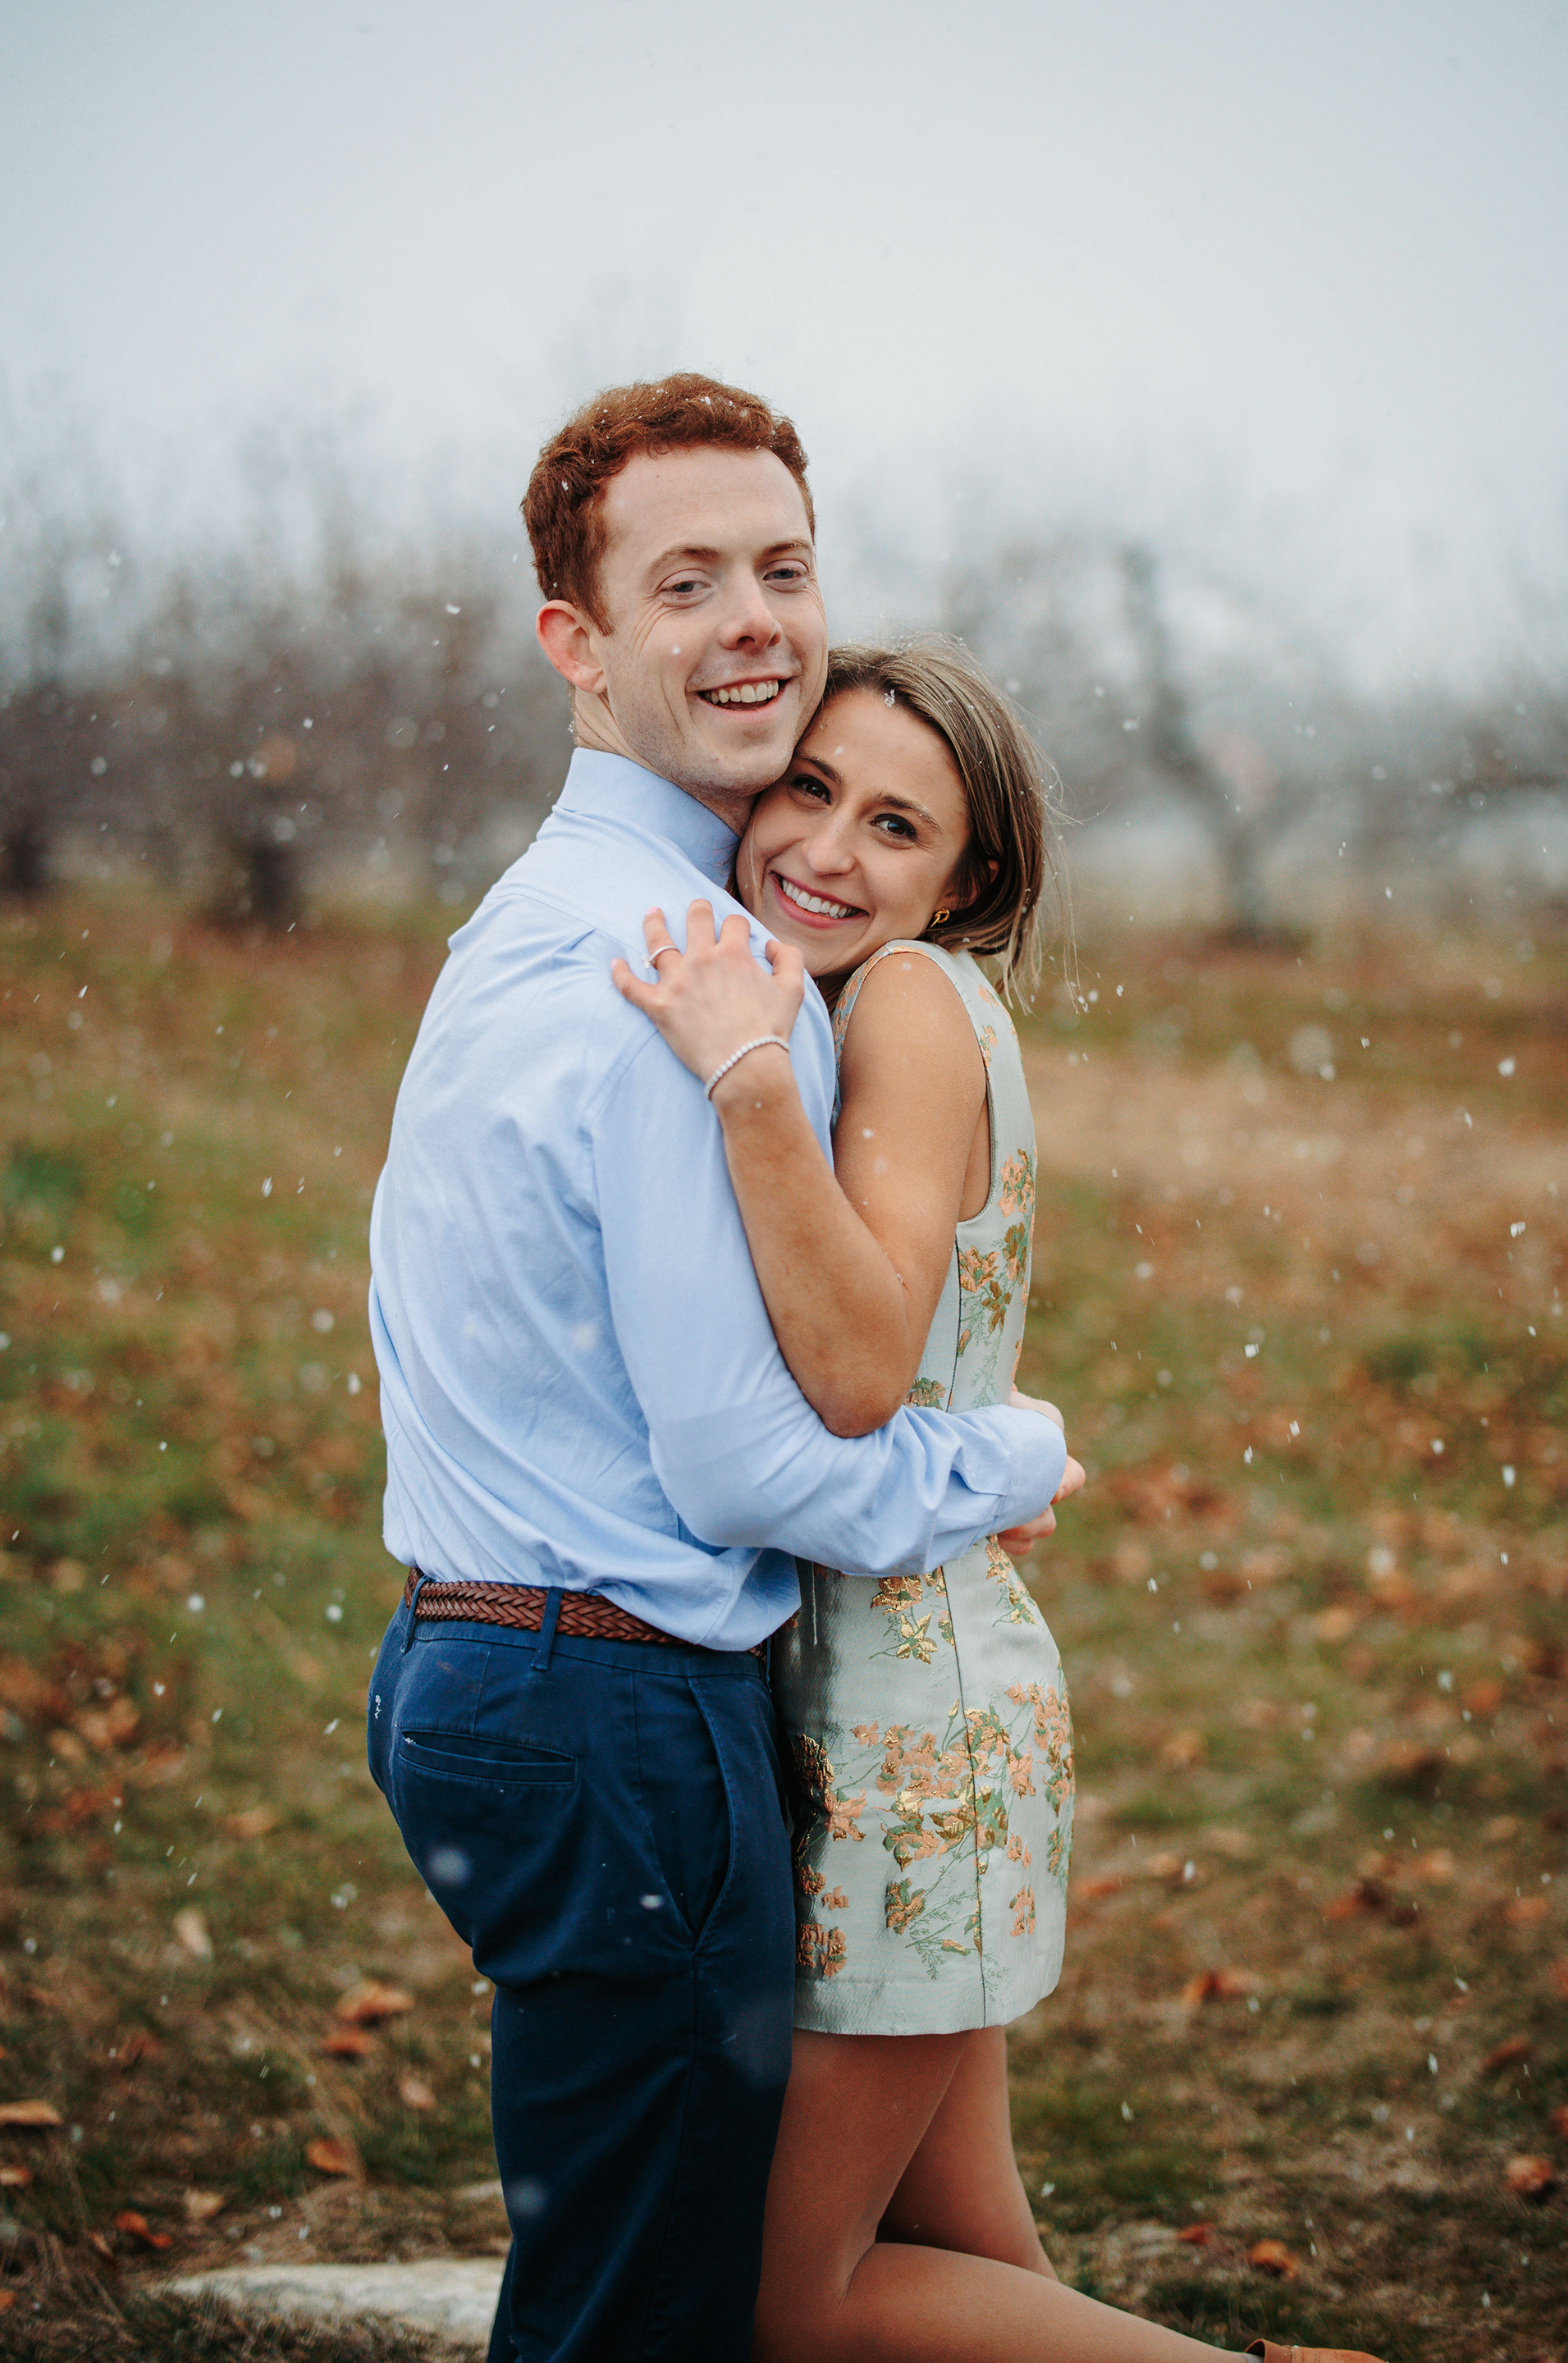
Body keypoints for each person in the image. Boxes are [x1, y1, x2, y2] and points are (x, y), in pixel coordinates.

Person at [363, 375, 1072, 2363]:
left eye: (783, 565)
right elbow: (773, 1456)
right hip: (609, 1700)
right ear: (575, 646)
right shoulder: (683, 979)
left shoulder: (550, 923)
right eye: (689, 581)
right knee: (659, 2317)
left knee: (766, 2268)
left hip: (494, 1655)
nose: (757, 615)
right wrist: (996, 1460)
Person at [615, 642, 1386, 2363]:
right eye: (808, 788)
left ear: (963, 882)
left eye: (896, 825)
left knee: (789, 2311)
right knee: (963, 2248)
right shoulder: (878, 1003)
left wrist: (744, 1088)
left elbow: (863, 1366)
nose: (824, 845)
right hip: (898, 1690)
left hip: (910, 1727)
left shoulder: (899, 1001)